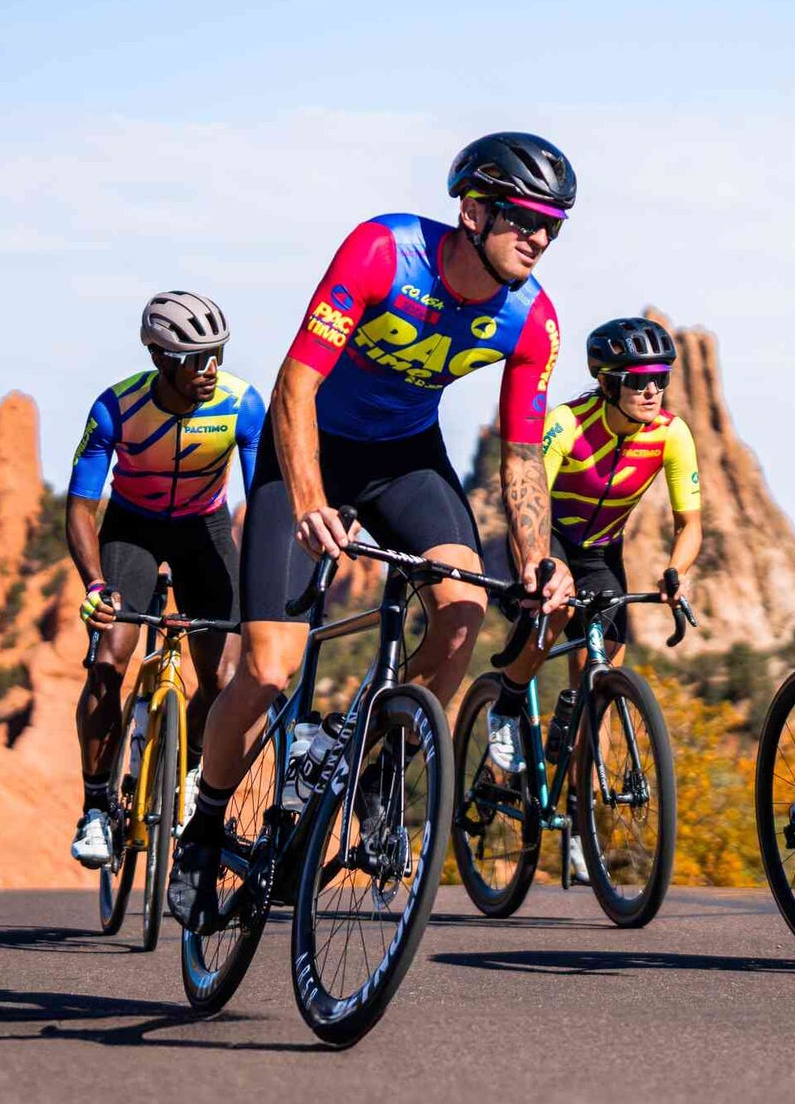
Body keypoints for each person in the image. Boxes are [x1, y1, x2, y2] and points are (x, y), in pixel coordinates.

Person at [166, 132, 580, 927]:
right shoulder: (383, 251)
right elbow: (296, 381)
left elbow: (523, 455)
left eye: (554, 226)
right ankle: (205, 827)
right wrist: (314, 499)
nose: (539, 237)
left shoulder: (534, 318)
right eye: (526, 217)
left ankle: (373, 764)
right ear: (472, 209)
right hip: (311, 448)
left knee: (462, 613)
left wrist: (537, 560)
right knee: (267, 668)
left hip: (407, 460)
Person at [64, 290, 264, 867]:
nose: (210, 369)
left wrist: (263, 575)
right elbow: (80, 510)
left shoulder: (241, 405)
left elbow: (261, 499)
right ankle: (97, 807)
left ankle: (196, 763)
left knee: (224, 676)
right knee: (109, 660)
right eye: (195, 358)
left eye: (217, 354)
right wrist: (95, 586)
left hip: (206, 530)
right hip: (133, 529)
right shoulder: (115, 409)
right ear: (159, 357)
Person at [485, 316, 703, 777]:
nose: (652, 391)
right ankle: (505, 705)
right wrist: (541, 563)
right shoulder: (567, 424)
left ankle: (583, 835)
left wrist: (676, 570)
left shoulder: (671, 434)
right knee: (558, 607)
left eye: (661, 379)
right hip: (549, 536)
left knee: (598, 690)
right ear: (607, 382)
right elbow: (528, 498)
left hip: (602, 552)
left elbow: (690, 524)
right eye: (639, 381)